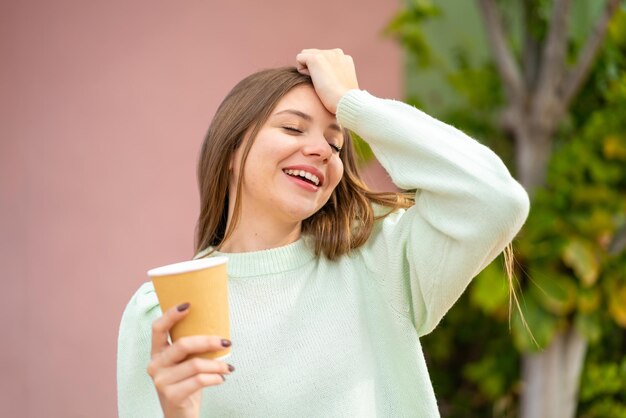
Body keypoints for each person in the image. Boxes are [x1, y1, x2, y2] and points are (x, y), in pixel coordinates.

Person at [117, 48, 530, 418]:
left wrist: (356, 104)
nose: (321, 150)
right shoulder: (162, 309)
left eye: (336, 144)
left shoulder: (378, 262)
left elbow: (496, 200)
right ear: (230, 150)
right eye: (293, 129)